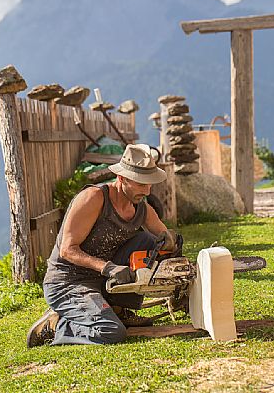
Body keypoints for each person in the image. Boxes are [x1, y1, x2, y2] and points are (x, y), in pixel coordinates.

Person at [27, 143, 177, 348]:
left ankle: (116, 308)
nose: (147, 190)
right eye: (141, 184)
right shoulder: (93, 198)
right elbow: (67, 250)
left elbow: (164, 236)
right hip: (68, 283)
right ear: (122, 178)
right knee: (111, 332)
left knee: (149, 241)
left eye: (149, 183)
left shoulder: (142, 207)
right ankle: (57, 325)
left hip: (103, 282)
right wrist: (109, 268)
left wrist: (171, 241)